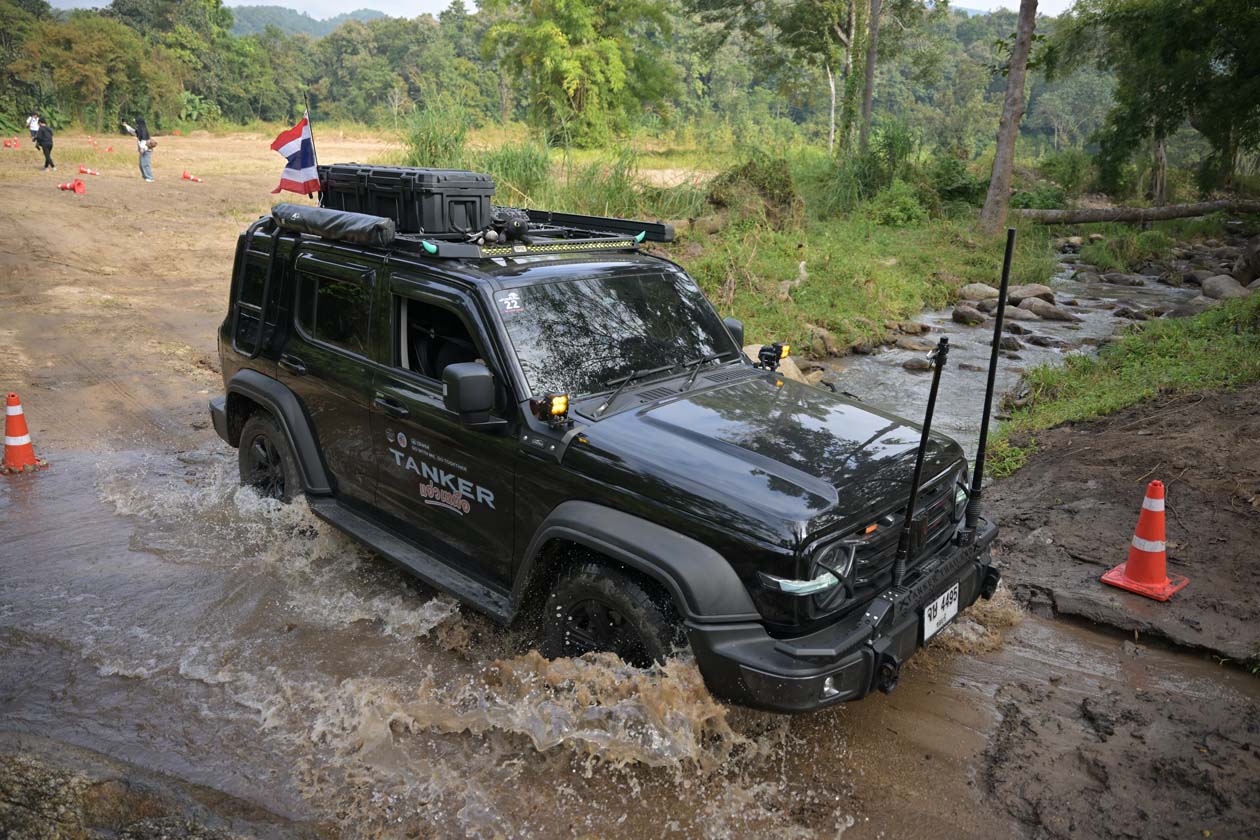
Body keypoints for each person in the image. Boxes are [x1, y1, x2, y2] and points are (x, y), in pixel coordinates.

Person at [135, 117, 154, 182]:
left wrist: (142, 148)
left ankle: (150, 178)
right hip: (142, 150)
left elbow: (144, 140)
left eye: (137, 123)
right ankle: (145, 176)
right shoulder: (140, 130)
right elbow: (133, 131)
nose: (136, 125)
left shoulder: (144, 131)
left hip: (146, 150)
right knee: (141, 165)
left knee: (146, 164)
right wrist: (126, 125)